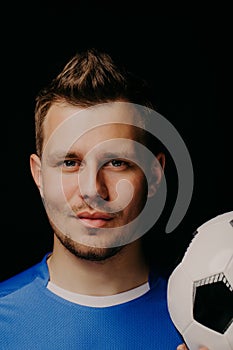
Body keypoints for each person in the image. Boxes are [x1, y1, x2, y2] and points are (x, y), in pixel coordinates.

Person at [0, 48, 209, 349]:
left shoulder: (207, 324)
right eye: (69, 163)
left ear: (154, 174)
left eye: (116, 163)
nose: (93, 190)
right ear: (39, 175)